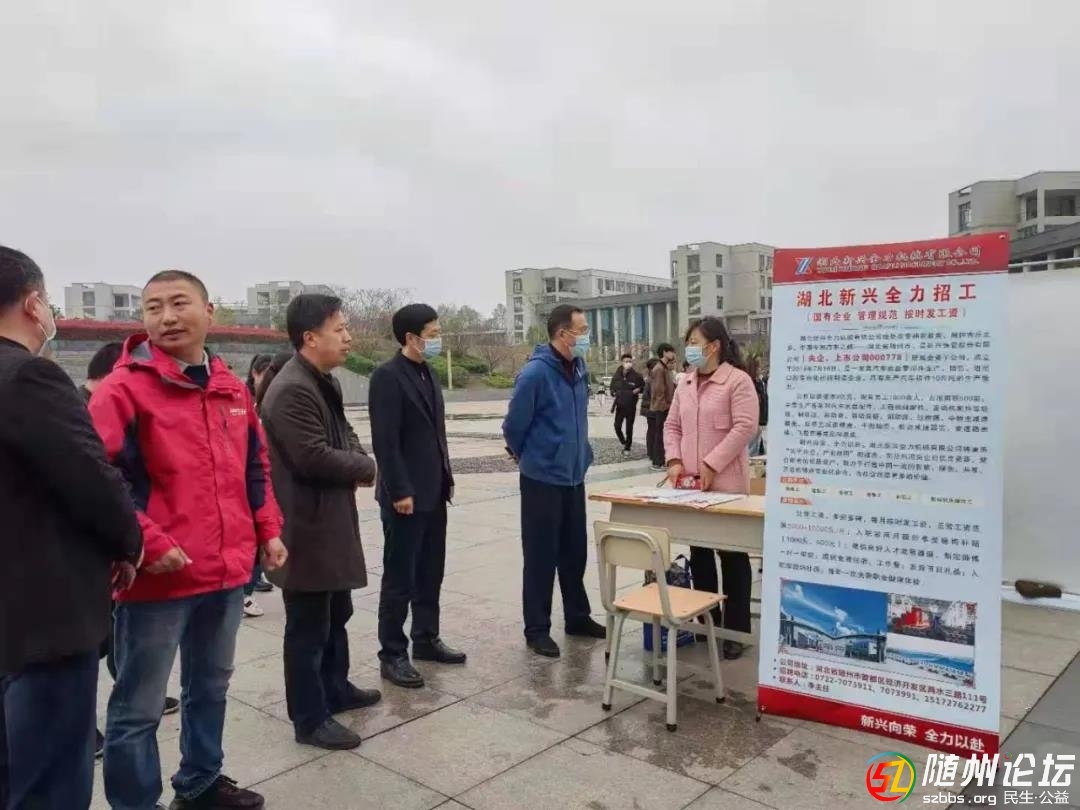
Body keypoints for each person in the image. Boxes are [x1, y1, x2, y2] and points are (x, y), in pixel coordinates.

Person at [89, 269, 288, 810]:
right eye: (153, 308)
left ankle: (200, 783)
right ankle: (135, 802)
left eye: (179, 303)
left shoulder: (231, 389)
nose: (167, 317)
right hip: (158, 579)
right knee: (139, 706)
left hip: (225, 573)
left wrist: (268, 529)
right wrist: (148, 543)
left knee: (211, 687)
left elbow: (255, 468)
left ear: (209, 311)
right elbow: (99, 476)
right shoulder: (123, 389)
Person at [0, 246, 143, 810]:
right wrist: (128, 542)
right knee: (51, 779)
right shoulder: (28, 376)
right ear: (34, 304)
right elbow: (90, 478)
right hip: (43, 613)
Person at [260, 294, 382, 750]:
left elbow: (344, 433)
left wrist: (358, 457)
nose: (348, 337)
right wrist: (366, 467)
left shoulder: (321, 380)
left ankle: (335, 687)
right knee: (308, 626)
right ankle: (309, 718)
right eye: (339, 329)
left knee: (337, 612)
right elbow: (311, 456)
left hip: (328, 518)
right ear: (310, 337)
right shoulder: (292, 388)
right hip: (305, 527)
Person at [82, 342, 183, 758]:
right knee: (88, 648)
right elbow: (101, 487)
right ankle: (85, 730)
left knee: (111, 639)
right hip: (97, 552)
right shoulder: (85, 409)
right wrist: (137, 544)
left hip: (116, 548)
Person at [369, 303, 466, 689]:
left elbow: (435, 433)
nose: (438, 339)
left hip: (434, 491)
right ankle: (392, 653)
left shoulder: (429, 372)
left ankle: (426, 638)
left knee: (430, 571)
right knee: (400, 577)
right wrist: (400, 490)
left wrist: (446, 476)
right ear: (411, 337)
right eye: (433, 334)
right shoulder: (387, 377)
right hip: (405, 497)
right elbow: (386, 441)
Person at [503, 304, 605, 659]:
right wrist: (531, 456)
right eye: (583, 330)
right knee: (541, 555)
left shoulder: (579, 368)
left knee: (574, 552)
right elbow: (513, 426)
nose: (587, 336)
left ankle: (577, 616)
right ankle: (537, 628)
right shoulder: (535, 374)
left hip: (573, 475)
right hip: (542, 479)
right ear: (563, 334)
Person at [663, 316, 758, 660]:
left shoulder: (737, 381)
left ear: (714, 346)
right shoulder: (686, 382)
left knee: (732, 555)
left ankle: (736, 631)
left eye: (694, 342)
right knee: (700, 553)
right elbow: (672, 426)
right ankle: (708, 621)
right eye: (687, 342)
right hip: (692, 486)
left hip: (727, 485)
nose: (689, 349)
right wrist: (674, 460)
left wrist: (713, 463)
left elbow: (745, 427)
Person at [241, 353, 277, 617]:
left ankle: (251, 582)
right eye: (267, 374)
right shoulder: (244, 399)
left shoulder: (268, 400)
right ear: (255, 373)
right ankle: (245, 592)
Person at [647, 342, 677, 471]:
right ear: (664, 352)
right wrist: (664, 406)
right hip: (662, 407)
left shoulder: (665, 368)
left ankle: (662, 460)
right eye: (671, 351)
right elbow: (658, 390)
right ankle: (657, 462)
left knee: (663, 434)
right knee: (660, 434)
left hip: (666, 405)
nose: (673, 354)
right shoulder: (659, 369)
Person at [610, 353, 644, 457]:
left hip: (631, 405)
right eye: (626, 361)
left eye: (630, 361)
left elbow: (643, 386)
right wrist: (613, 392)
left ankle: (627, 447)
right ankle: (623, 441)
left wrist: (639, 389)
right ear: (622, 362)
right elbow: (612, 386)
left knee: (629, 428)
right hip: (620, 405)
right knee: (617, 426)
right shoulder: (617, 375)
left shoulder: (636, 376)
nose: (628, 363)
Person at [744, 356, 768, 456]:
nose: (760, 369)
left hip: (760, 420)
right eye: (758, 367)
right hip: (753, 421)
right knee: (752, 449)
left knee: (757, 447)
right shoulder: (749, 384)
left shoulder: (760, 382)